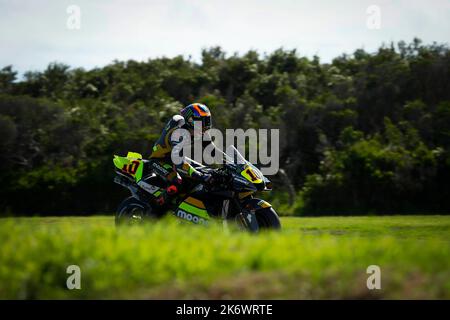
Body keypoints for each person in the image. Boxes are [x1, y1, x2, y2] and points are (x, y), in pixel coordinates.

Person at [149, 103, 215, 205]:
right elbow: (178, 162)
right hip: (160, 160)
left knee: (207, 171)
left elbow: (213, 151)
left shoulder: (199, 132)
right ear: (191, 120)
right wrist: (199, 175)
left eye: (207, 121)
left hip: (177, 159)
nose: (205, 126)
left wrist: (232, 162)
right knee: (177, 182)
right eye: (202, 122)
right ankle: (157, 205)